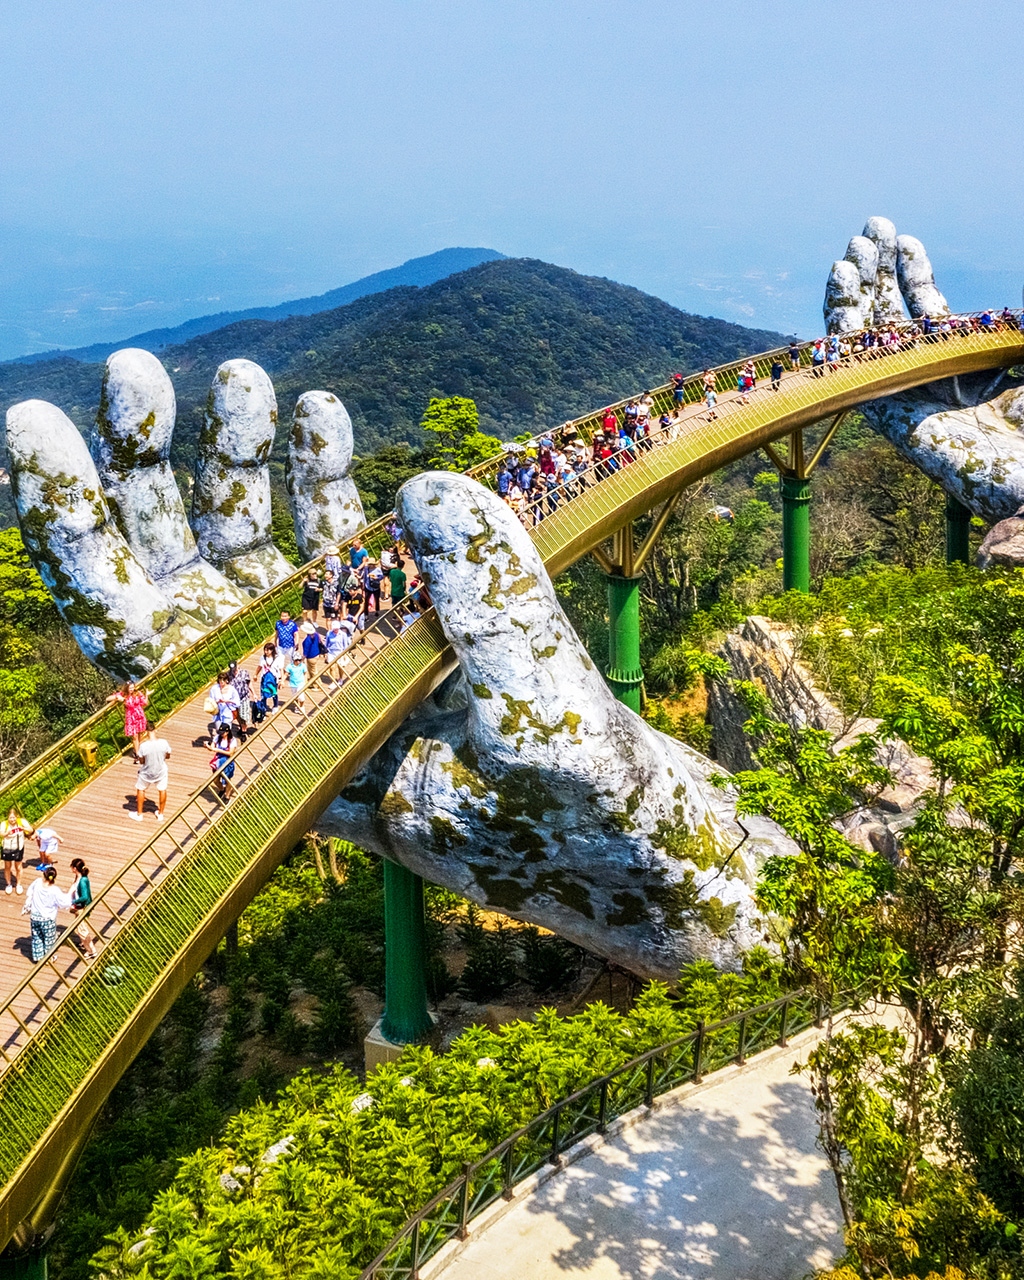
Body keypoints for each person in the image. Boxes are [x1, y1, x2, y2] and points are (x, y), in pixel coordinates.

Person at [21, 865, 72, 962]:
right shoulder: (54, 890)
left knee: (36, 937)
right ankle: (49, 958)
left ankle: (38, 957)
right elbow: (63, 903)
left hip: (35, 916)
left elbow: (29, 892)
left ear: (44, 875)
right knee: (49, 940)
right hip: (47, 918)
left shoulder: (37, 883)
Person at [132, 724, 171, 822]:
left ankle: (139, 814)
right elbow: (168, 756)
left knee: (141, 789)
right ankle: (161, 813)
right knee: (162, 789)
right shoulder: (164, 743)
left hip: (147, 772)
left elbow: (141, 761)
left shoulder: (144, 746)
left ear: (145, 732)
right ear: (155, 730)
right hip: (160, 770)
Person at [106, 681, 150, 757]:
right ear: (127, 688)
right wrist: (117, 697)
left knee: (140, 734)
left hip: (139, 715)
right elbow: (108, 698)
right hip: (131, 717)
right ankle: (137, 754)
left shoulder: (138, 693)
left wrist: (146, 695)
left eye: (133, 687)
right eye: (130, 688)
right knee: (134, 736)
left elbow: (145, 703)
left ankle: (137, 750)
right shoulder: (123, 694)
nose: (132, 689)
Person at [69, 857, 97, 959]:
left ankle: (91, 950)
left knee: (82, 929)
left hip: (83, 908)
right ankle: (83, 943)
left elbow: (84, 896)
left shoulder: (82, 881)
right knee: (79, 925)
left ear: (75, 868)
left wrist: (74, 901)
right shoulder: (79, 877)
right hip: (79, 907)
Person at [1, 808, 34, 895]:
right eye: (10, 818)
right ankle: (8, 884)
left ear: (17, 816)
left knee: (18, 867)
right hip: (7, 847)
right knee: (7, 866)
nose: (12, 820)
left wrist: (22, 828)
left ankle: (18, 884)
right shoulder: (4, 824)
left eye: (14, 817)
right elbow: (1, 834)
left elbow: (31, 830)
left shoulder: (21, 822)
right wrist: (7, 833)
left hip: (18, 847)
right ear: (7, 818)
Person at [228, 660, 253, 739]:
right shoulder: (228, 675)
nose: (234, 670)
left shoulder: (244, 673)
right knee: (237, 715)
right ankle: (242, 728)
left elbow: (249, 683)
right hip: (234, 700)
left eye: (235, 667)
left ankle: (244, 732)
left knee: (243, 715)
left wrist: (254, 693)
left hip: (244, 697)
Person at [211, 726, 237, 801]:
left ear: (227, 732)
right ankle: (222, 789)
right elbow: (212, 747)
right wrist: (208, 746)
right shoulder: (217, 737)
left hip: (227, 761)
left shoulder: (232, 740)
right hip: (218, 761)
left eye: (223, 733)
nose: (221, 734)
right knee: (215, 779)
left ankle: (227, 796)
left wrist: (217, 749)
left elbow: (230, 753)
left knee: (227, 779)